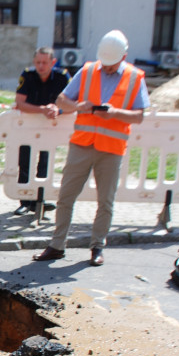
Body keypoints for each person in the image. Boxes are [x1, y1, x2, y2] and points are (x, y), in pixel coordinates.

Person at [32, 30, 149, 267]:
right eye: (104, 62)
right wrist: (78, 106)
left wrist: (114, 113)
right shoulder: (87, 71)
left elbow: (139, 116)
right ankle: (57, 246)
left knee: (105, 201)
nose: (106, 67)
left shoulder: (135, 77)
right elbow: (61, 101)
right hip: (82, 144)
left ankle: (97, 247)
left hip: (112, 148)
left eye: (111, 64)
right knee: (66, 197)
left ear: (123, 56)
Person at [12, 46, 71, 215]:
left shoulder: (62, 77)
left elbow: (73, 103)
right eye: (38, 62)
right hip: (28, 125)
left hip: (51, 127)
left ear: (53, 62)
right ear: (34, 62)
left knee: (44, 163)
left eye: (45, 62)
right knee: (25, 162)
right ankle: (25, 201)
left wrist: (58, 110)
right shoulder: (28, 75)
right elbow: (20, 103)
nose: (41, 66)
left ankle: (39, 200)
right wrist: (42, 110)